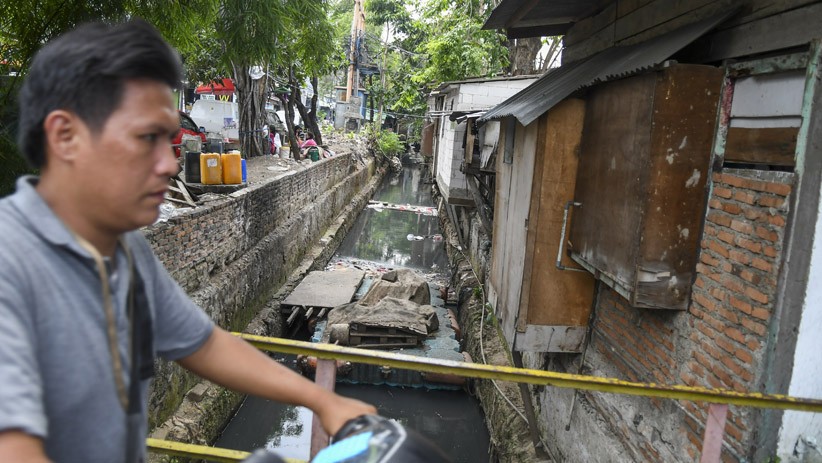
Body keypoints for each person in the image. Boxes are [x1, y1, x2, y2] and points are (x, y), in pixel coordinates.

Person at [0, 20, 375, 463]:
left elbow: (205, 344)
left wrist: (321, 400)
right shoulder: (13, 265)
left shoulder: (123, 252)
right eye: (147, 138)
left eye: (170, 140)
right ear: (66, 136)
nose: (170, 164)